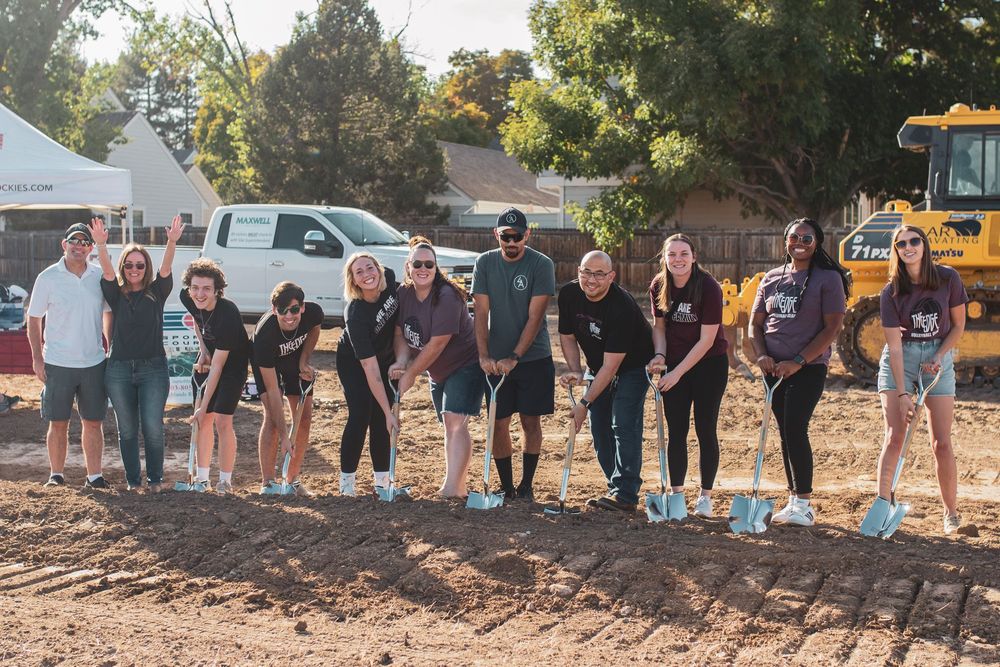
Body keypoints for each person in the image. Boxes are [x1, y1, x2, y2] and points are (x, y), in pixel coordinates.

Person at [749, 217, 849, 527]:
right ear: (786, 241)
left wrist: (798, 361)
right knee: (784, 432)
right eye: (795, 237)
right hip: (773, 370)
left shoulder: (828, 278)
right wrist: (762, 355)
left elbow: (833, 327)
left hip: (807, 367)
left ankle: (804, 504)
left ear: (817, 243)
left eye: (807, 239)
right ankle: (793, 499)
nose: (800, 243)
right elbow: (755, 324)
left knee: (795, 428)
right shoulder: (771, 278)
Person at [875, 225, 967, 534]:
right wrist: (903, 394)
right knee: (895, 436)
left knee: (941, 442)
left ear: (924, 245)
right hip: (902, 360)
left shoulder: (947, 278)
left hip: (937, 359)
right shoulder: (891, 291)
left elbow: (957, 326)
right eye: (901, 244)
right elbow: (895, 346)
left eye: (914, 241)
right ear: (897, 251)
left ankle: (951, 513)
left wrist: (939, 355)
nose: (908, 247)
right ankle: (882, 506)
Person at [92, 215, 183, 493]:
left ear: (146, 267)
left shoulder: (158, 291)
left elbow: (167, 269)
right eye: (129, 265)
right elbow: (107, 272)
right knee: (127, 431)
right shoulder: (116, 292)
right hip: (118, 370)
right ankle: (134, 482)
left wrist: (171, 241)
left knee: (153, 427)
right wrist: (101, 245)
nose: (134, 269)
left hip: (153, 369)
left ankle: (155, 481)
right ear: (124, 267)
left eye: (139, 265)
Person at [558, 250, 654, 512]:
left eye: (599, 274)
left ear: (611, 276)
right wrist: (576, 371)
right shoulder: (569, 295)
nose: (591, 279)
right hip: (598, 365)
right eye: (586, 272)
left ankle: (625, 494)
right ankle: (614, 486)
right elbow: (567, 336)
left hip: (634, 365)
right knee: (599, 425)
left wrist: (584, 402)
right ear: (578, 271)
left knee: (623, 422)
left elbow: (613, 366)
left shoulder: (620, 306)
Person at [390, 236, 484, 498]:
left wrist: (410, 374)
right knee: (448, 422)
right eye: (417, 264)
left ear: (436, 267)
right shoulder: (403, 294)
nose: (423, 269)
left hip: (466, 364)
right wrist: (400, 360)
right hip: (438, 370)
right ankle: (456, 484)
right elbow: (400, 334)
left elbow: (437, 344)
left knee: (455, 421)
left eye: (429, 265)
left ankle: (454, 487)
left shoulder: (447, 296)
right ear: (408, 267)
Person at [472, 207, 556, 502]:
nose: (511, 242)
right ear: (496, 235)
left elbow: (535, 317)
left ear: (526, 235)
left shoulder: (541, 264)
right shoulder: (484, 263)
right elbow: (480, 313)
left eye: (517, 236)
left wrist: (515, 357)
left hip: (533, 358)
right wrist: (484, 356)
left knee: (531, 422)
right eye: (505, 236)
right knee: (498, 423)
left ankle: (526, 486)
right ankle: (506, 488)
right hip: (495, 360)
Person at [647, 234, 729, 517]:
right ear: (665, 259)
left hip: (709, 365)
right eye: (672, 255)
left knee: (705, 429)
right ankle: (677, 495)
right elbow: (659, 327)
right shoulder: (659, 285)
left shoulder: (708, 287)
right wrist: (659, 355)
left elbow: (707, 339)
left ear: (694, 257)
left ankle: (705, 497)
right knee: (676, 431)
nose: (678, 259)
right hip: (674, 365)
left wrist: (677, 373)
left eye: (683, 254)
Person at [27, 222, 112, 489]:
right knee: (58, 421)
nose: (78, 246)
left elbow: (108, 311)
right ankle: (56, 475)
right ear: (64, 245)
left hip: (93, 362)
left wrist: (109, 344)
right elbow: (34, 318)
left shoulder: (99, 276)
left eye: (84, 242)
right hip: (57, 362)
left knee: (93, 422)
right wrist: (37, 359)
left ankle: (94, 476)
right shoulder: (48, 277)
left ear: (90, 248)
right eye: (73, 241)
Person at [180, 258, 250, 494]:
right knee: (203, 421)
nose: (200, 294)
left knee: (220, 419)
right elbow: (197, 322)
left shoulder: (227, 313)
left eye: (206, 289)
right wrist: (203, 350)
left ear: (217, 290)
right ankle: (202, 479)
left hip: (233, 365)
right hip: (213, 357)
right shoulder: (187, 297)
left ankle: (225, 481)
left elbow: (219, 367)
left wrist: (204, 405)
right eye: (195, 288)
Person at [252, 281, 322, 496]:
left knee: (304, 418)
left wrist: (304, 360)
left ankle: (292, 480)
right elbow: (273, 391)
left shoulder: (314, 312)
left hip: (294, 359)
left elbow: (314, 331)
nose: (289, 316)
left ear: (302, 307)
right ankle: (269, 483)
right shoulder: (264, 337)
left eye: (294, 309)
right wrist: (284, 435)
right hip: (267, 362)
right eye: (282, 311)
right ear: (274, 310)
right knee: (273, 419)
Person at [337, 253, 399, 496]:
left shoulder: (391, 281)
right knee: (362, 413)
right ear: (353, 280)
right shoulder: (356, 314)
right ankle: (346, 485)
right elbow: (369, 368)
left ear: (379, 269)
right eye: (359, 272)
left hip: (385, 357)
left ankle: (382, 484)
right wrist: (388, 411)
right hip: (354, 362)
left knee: (381, 424)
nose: (367, 274)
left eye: (369, 267)